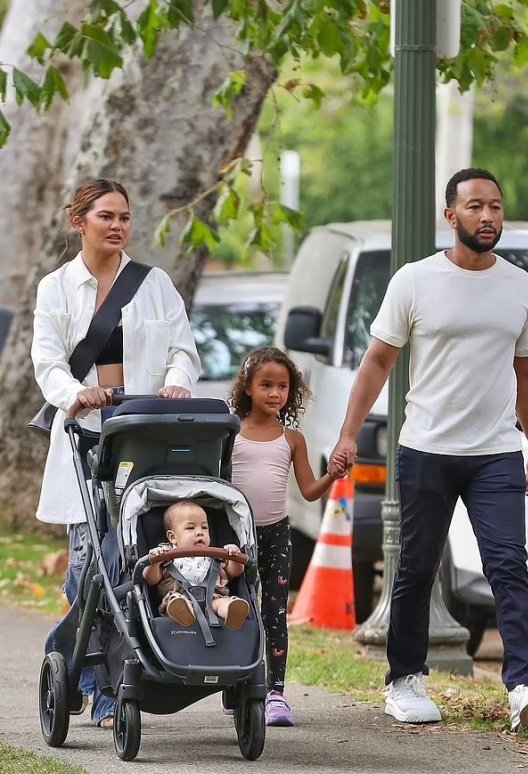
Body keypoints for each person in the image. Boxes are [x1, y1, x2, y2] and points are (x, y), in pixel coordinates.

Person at [328, 167, 528, 732]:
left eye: (497, 206)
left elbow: (526, 375)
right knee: (417, 566)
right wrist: (348, 433)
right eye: (476, 206)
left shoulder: (519, 284)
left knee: (509, 564)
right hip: (427, 447)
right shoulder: (414, 280)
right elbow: (378, 361)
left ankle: (523, 683)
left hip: (496, 451)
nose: (488, 216)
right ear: (450, 216)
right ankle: (405, 678)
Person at [31, 178, 201, 729]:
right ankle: (99, 687)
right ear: (79, 221)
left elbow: (183, 348)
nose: (118, 225)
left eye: (124, 216)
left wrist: (176, 382)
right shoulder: (56, 288)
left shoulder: (153, 285)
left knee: (124, 559)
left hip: (140, 438)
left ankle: (84, 668)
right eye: (106, 215)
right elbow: (48, 363)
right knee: (88, 565)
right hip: (85, 438)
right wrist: (73, 394)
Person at [228, 346, 347, 727]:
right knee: (236, 609)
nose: (275, 393)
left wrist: (333, 474)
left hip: (277, 534)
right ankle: (239, 684)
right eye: (266, 385)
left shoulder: (292, 439)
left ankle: (275, 692)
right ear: (247, 386)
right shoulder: (229, 433)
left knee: (275, 611)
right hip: (236, 537)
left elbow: (310, 491)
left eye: (282, 386)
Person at [143, 500, 250, 630]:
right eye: (190, 527)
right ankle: (184, 613)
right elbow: (150, 579)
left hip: (213, 597)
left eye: (204, 527)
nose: (200, 532)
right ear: (172, 537)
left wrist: (234, 556)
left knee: (222, 602)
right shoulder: (165, 553)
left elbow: (234, 572)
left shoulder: (214, 554)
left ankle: (231, 611)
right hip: (179, 595)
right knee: (175, 600)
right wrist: (154, 561)